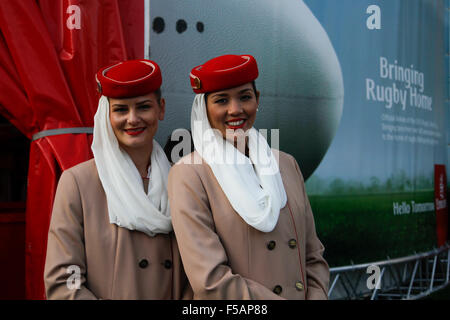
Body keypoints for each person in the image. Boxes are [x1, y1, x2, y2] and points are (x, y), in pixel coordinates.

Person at [168, 54, 329, 300]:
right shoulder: (188, 174)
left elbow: (313, 254)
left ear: (257, 99)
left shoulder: (286, 164)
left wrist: (317, 296)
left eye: (245, 97)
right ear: (204, 108)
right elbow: (210, 279)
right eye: (222, 100)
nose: (236, 110)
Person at [44, 59, 192, 299]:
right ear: (106, 115)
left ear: (161, 109)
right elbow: (64, 280)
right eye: (121, 109)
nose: (132, 119)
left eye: (143, 107)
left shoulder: (183, 181)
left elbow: (199, 276)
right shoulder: (78, 184)